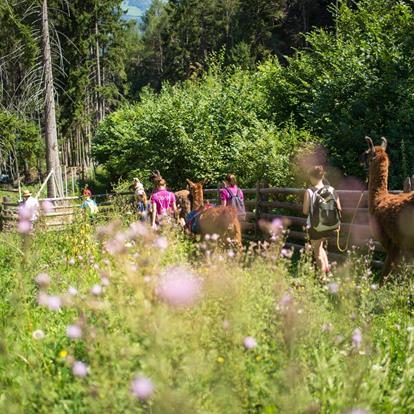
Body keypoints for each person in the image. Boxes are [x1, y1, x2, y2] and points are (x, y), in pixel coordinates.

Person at [303, 166, 342, 277]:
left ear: (311, 177)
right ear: (322, 176)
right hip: (330, 226)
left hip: (315, 227)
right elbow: (339, 208)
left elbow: (305, 211)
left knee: (318, 253)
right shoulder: (332, 190)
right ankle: (327, 272)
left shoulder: (310, 191)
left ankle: (323, 279)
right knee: (321, 248)